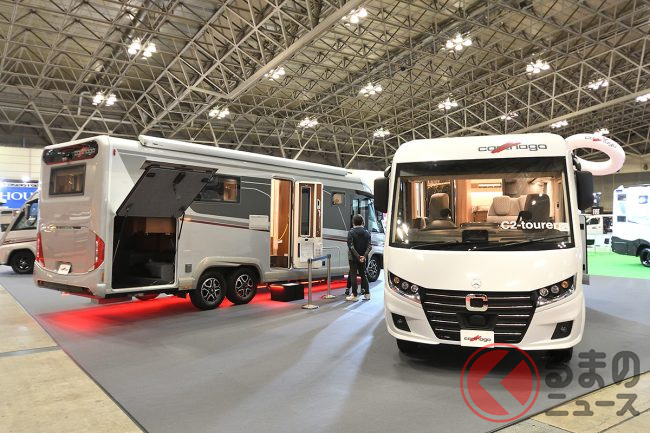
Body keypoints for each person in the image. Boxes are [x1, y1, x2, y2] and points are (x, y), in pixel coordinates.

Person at [346, 214, 371, 301]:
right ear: (362, 222)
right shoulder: (367, 232)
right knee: (363, 274)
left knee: (353, 275)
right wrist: (363, 256)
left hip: (353, 258)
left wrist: (357, 256)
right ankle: (367, 294)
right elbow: (369, 246)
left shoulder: (351, 232)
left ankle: (354, 295)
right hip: (363, 258)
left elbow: (351, 246)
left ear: (353, 222)